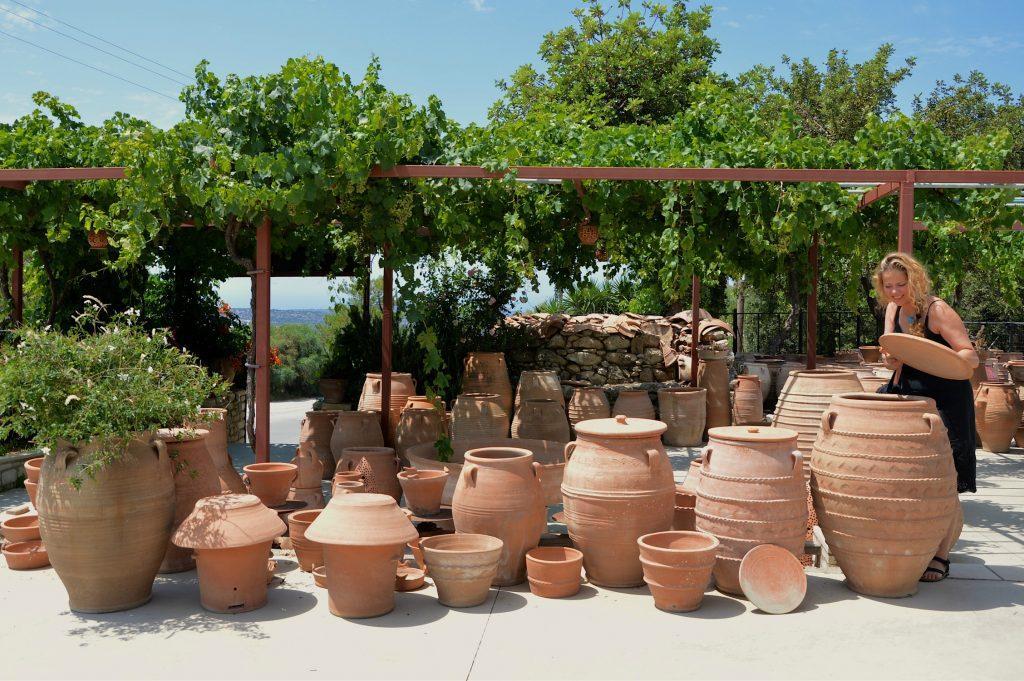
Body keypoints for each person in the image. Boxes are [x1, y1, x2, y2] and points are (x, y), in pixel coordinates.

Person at [874, 252, 979, 583]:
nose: (894, 293)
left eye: (901, 285)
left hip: (944, 402)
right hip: (908, 398)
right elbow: (898, 357)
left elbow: (969, 356)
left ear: (915, 280)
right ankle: (907, 542)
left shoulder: (937, 310)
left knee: (944, 484)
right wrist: (892, 361)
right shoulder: (892, 310)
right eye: (888, 286)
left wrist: (939, 358)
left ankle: (940, 555)